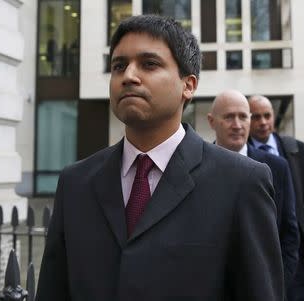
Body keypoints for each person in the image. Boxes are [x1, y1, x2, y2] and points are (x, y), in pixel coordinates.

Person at [36, 15, 284, 301]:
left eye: (149, 64)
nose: (129, 75)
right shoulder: (75, 183)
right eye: (119, 66)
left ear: (188, 85)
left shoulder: (242, 182)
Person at [207, 90, 300, 294]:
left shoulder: (278, 167)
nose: (237, 125)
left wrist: (277, 286)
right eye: (229, 117)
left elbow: (289, 234)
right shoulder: (197, 168)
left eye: (243, 116)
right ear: (211, 122)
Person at [248, 95, 304, 301]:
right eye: (256, 117)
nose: (263, 122)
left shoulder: (297, 150)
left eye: (267, 116)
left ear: (273, 117)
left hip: (299, 246)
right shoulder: (241, 155)